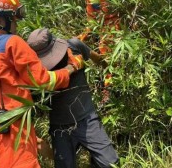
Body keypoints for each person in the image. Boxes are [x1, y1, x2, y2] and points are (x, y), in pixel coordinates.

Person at [0, 0, 84, 168]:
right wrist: (70, 68)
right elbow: (43, 80)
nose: (16, 25)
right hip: (11, 132)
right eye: (13, 20)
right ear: (0, 20)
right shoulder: (11, 42)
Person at [27, 28, 119, 168]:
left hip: (87, 120)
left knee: (111, 163)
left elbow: (100, 61)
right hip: (60, 128)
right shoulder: (33, 70)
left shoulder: (75, 46)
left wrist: (108, 82)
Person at [77, 0, 121, 102]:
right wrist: (81, 38)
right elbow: (92, 22)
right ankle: (110, 92)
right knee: (109, 62)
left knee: (111, 63)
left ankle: (110, 92)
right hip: (107, 31)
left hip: (118, 26)